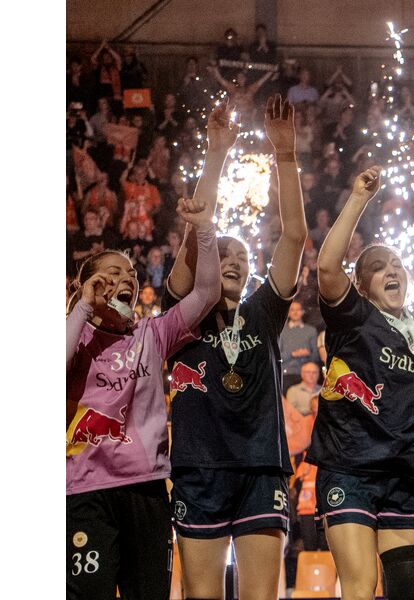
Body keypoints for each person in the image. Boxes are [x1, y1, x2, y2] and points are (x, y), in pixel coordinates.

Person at [66, 125, 221, 600]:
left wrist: (205, 229)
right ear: (88, 285)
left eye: (130, 274)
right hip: (84, 489)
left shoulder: (153, 334)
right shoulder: (75, 333)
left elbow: (206, 292)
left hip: (148, 488)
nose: (125, 279)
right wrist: (82, 306)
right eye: (111, 274)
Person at [163, 97, 306, 600]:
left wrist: (285, 155)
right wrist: (217, 153)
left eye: (242, 256)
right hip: (199, 466)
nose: (233, 260)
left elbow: (294, 237)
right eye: (223, 252)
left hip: (261, 466)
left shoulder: (263, 311)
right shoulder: (184, 311)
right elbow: (194, 232)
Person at [312, 164, 414, 600]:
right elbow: (327, 268)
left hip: (404, 477)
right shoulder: (355, 318)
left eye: (397, 265)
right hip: (351, 471)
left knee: (405, 593)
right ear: (361, 287)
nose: (391, 270)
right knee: (360, 587)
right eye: (378, 268)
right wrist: (359, 198)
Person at [280, 301, 320, 390]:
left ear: (302, 312)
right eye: (292, 310)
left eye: (298, 309)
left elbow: (315, 356)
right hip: (285, 374)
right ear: (288, 313)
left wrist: (307, 354)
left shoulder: (311, 331)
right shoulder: (281, 331)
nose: (295, 312)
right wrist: (293, 354)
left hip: (306, 375)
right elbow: (277, 357)